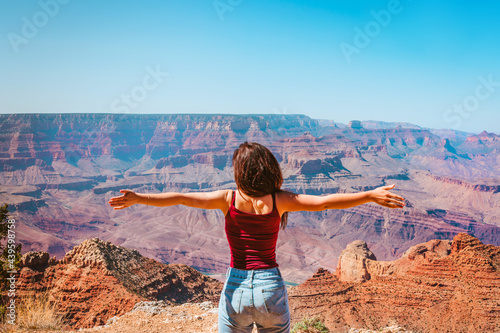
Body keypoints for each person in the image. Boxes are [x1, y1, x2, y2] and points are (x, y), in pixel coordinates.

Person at [108, 141, 405, 333]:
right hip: (270, 288)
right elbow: (326, 201)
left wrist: (139, 197)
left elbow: (183, 198)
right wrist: (369, 195)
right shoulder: (280, 200)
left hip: (235, 288)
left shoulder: (227, 199)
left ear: (240, 173)